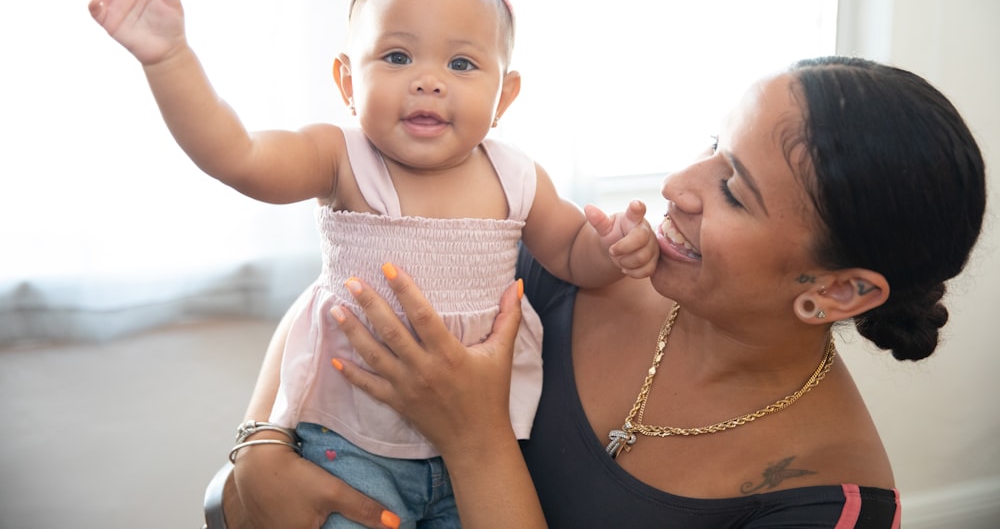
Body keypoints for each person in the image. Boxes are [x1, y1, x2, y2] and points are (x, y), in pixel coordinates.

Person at [218, 56, 985, 528]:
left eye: (734, 191)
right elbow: (363, 284)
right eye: (711, 144)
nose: (678, 185)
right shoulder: (580, 263)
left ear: (838, 290)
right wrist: (259, 444)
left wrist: (474, 435)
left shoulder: (826, 500)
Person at [85, 0, 659, 529]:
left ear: (504, 94)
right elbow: (240, 157)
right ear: (346, 81)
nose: (428, 81)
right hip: (348, 441)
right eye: (396, 57)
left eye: (461, 64)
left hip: (478, 452)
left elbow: (570, 253)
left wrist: (614, 247)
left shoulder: (516, 175)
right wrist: (169, 60)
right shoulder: (341, 158)